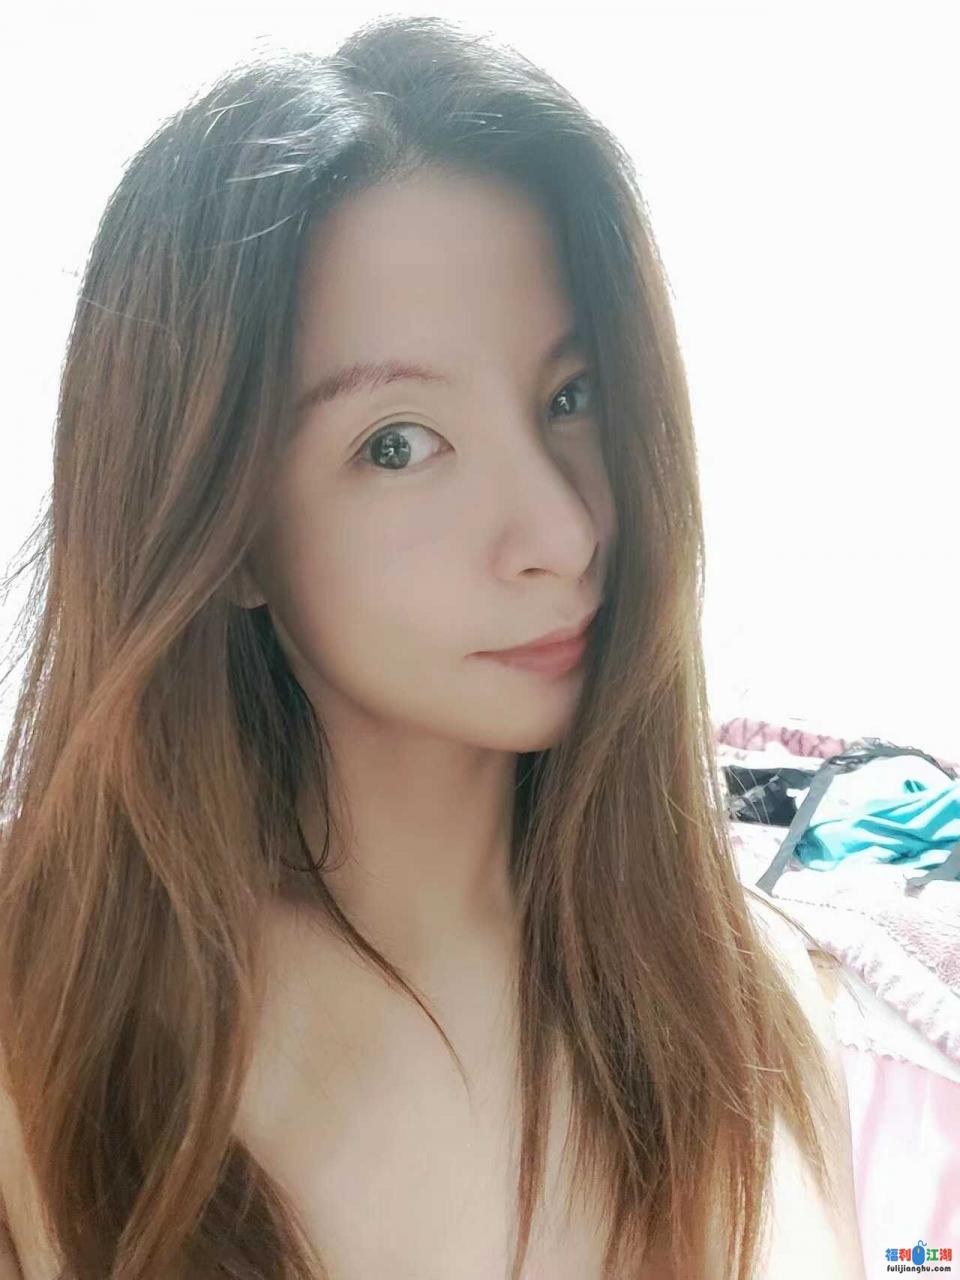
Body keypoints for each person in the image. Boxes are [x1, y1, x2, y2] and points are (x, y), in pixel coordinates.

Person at [0, 15, 865, 1279]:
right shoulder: (51, 1026)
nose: (563, 530)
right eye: (399, 444)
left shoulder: (761, 998)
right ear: (224, 531)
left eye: (570, 396)